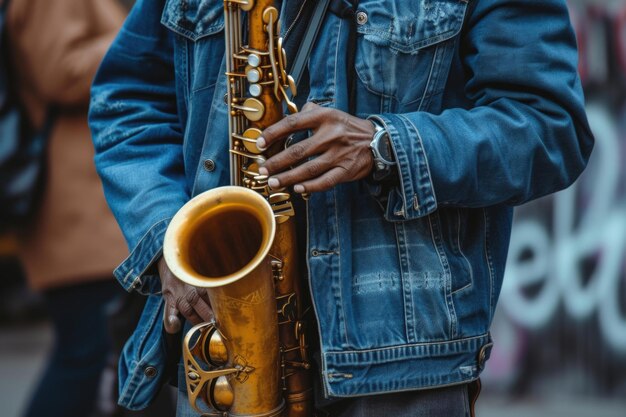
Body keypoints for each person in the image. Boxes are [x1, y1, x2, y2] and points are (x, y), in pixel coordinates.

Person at [89, 0, 594, 416]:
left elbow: (550, 128)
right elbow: (126, 101)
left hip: (400, 375)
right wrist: (167, 238)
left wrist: (384, 145)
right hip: (226, 359)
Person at [4, 1, 128, 416]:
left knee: (97, 356)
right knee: (86, 356)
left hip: (86, 209)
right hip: (76, 210)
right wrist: (142, 36)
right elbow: (61, 73)